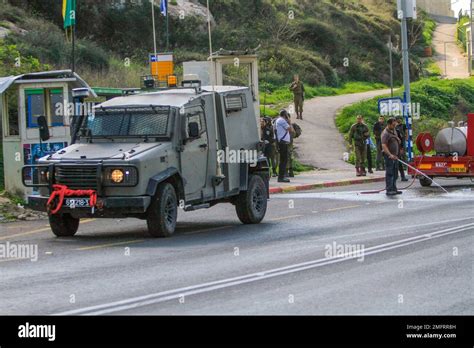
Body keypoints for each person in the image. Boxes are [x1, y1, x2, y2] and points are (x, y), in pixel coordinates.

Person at [381, 118, 402, 196]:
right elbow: (384, 145)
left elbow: (395, 138)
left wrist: (398, 140)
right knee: (390, 173)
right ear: (389, 124)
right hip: (389, 156)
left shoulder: (394, 130)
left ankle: (394, 188)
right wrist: (390, 154)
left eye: (395, 124)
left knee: (395, 173)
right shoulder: (385, 133)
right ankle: (389, 189)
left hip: (395, 155)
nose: (394, 126)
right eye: (393, 125)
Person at [274, 109, 294, 183]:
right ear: (285, 115)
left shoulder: (279, 120)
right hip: (282, 143)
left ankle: (281, 177)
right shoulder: (282, 120)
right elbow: (291, 130)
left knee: (283, 160)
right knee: (283, 160)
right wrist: (289, 121)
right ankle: (281, 177)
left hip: (282, 142)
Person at [395, 116, 408, 182]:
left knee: (400, 160)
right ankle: (396, 176)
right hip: (393, 148)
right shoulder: (389, 130)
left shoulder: (401, 127)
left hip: (399, 146)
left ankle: (403, 176)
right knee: (394, 163)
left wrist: (401, 147)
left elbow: (404, 134)